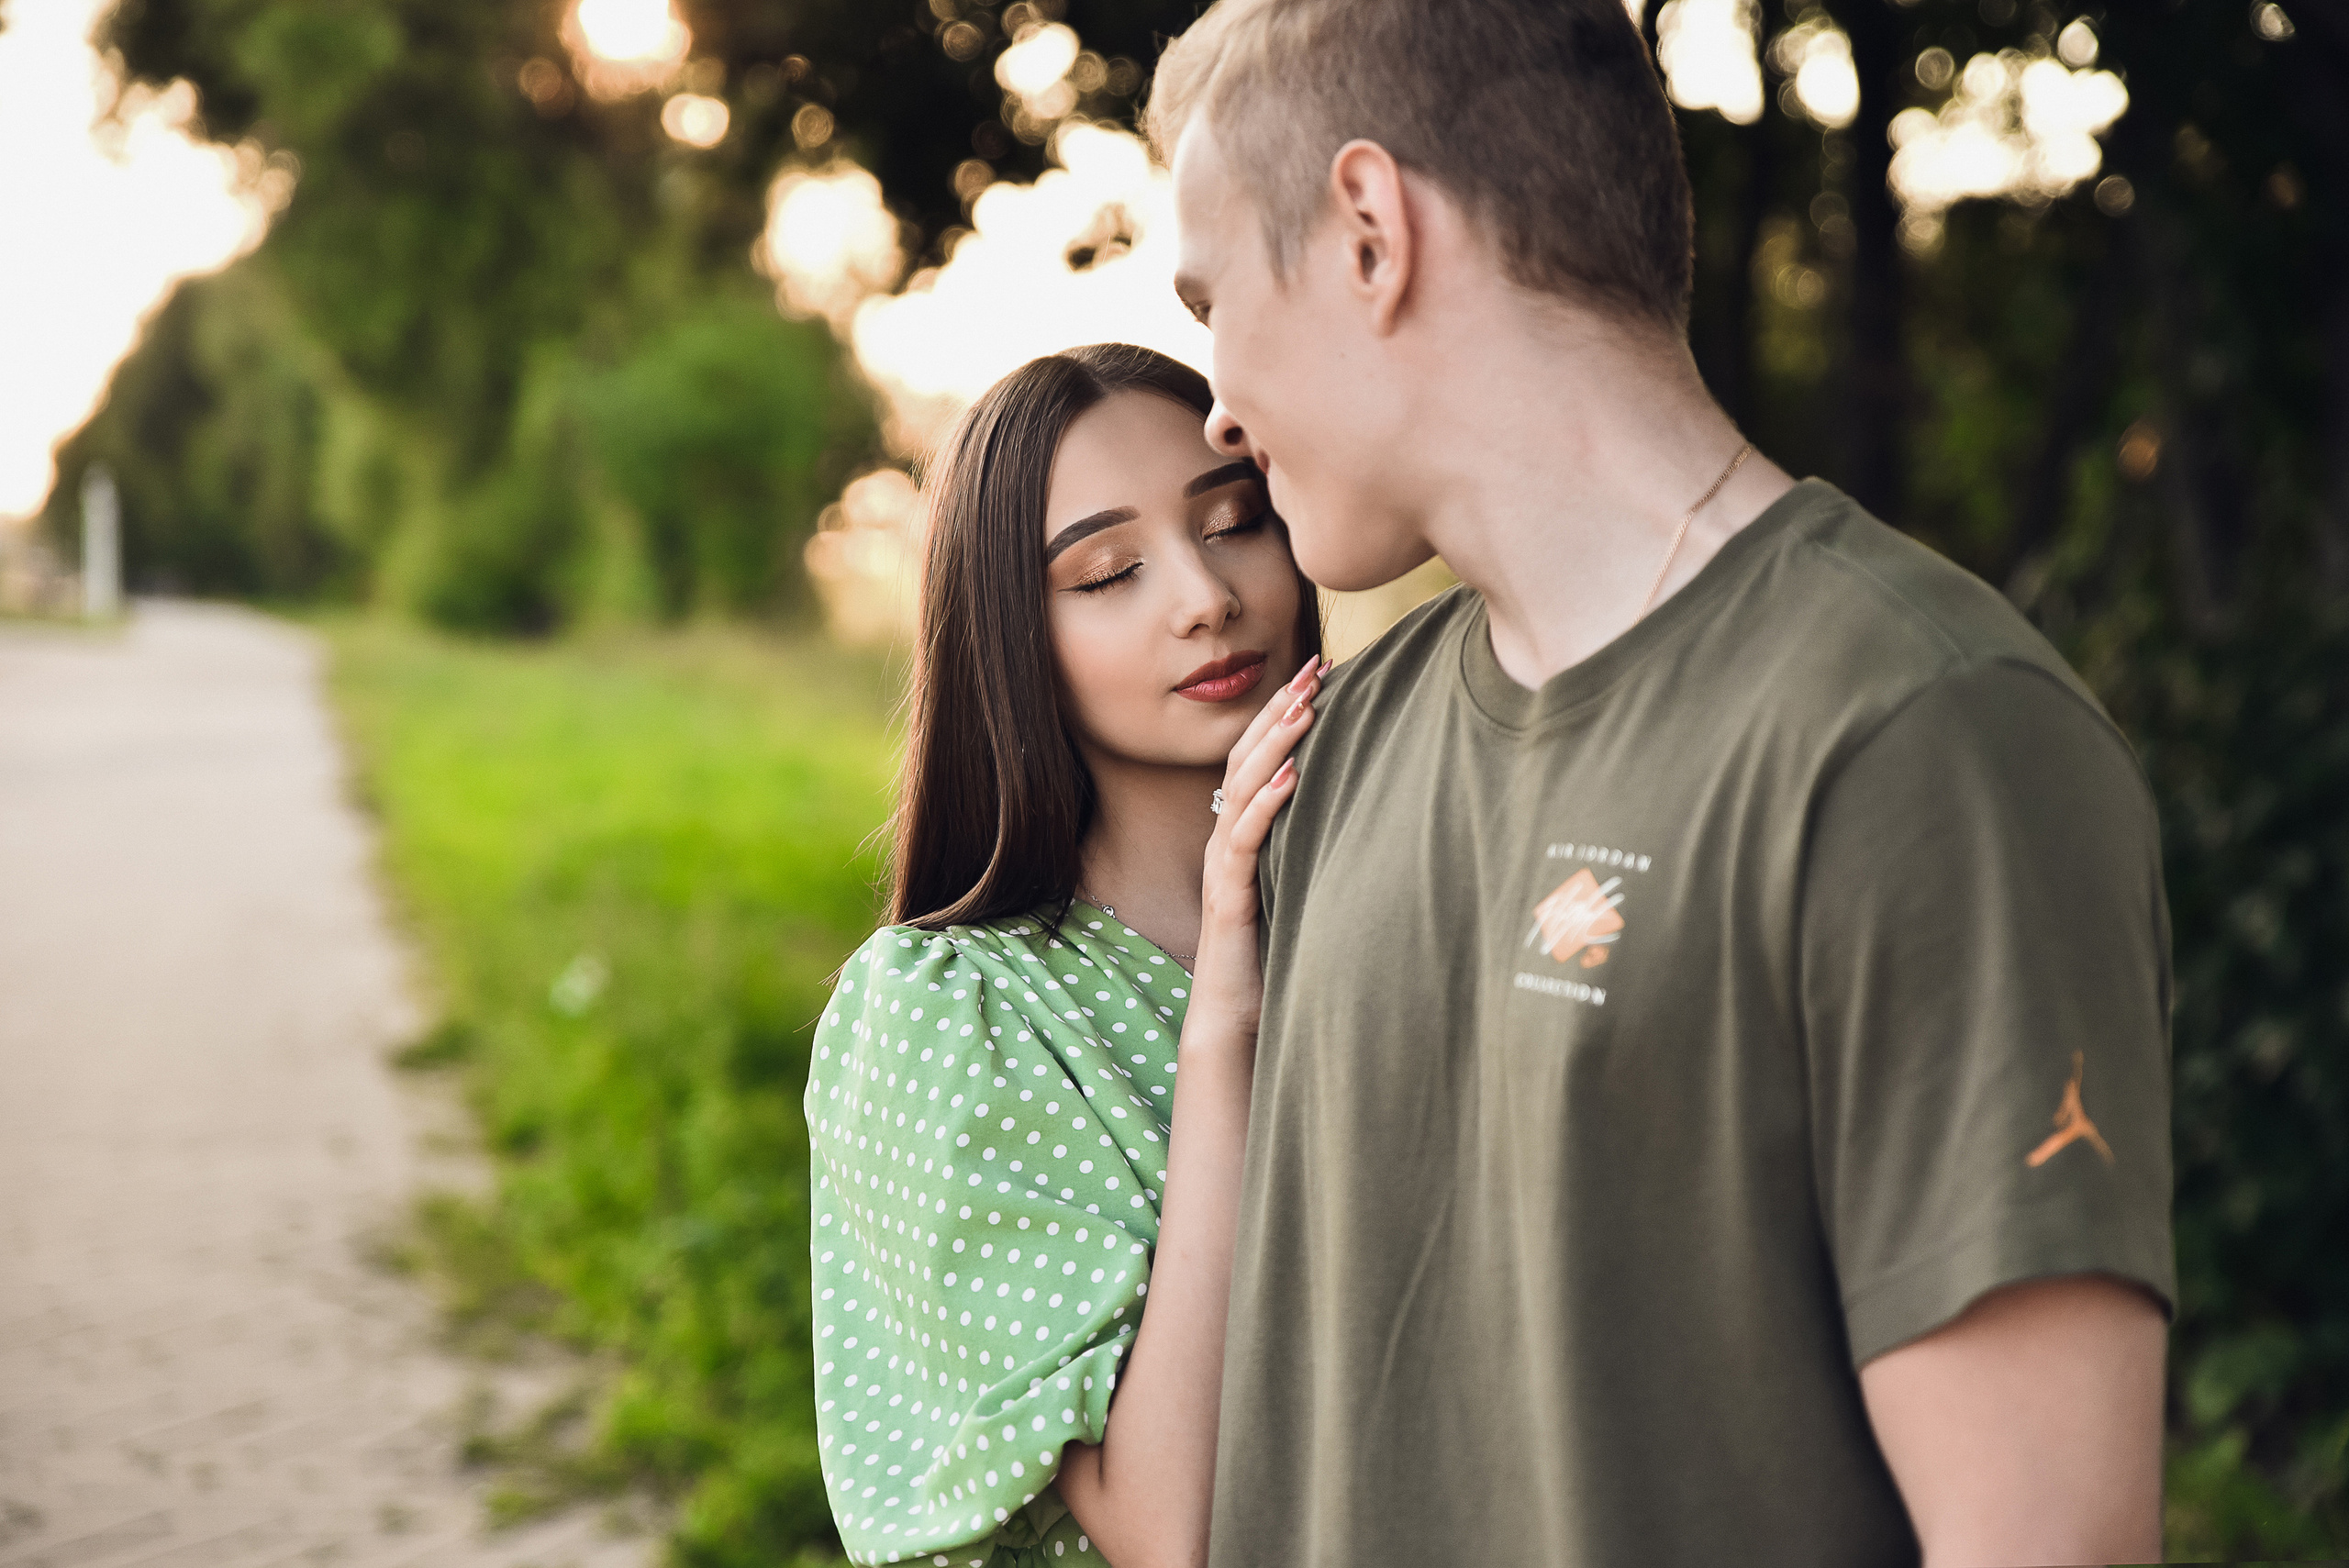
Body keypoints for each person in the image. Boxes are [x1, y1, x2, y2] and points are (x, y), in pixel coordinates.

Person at [1145, 3, 2175, 1565]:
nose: (1216, 404)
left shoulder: (1923, 737)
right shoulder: (1339, 752)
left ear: (1369, 231)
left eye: (1215, 299)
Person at [802, 343, 1322, 1568]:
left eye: (1236, 521)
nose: (1203, 595)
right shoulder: (947, 1013)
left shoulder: (1399, 886)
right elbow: (1168, 1529)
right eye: (1110, 572)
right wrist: (1224, 1025)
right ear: (1009, 636)